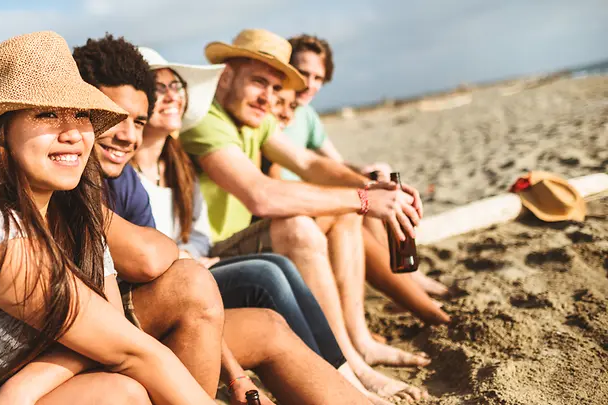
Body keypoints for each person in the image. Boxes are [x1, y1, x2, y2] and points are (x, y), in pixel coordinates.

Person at [0, 31, 216, 405]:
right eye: (46, 114)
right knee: (119, 394)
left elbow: (114, 329)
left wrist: (24, 386)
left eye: (81, 114)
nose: (73, 133)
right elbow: (130, 350)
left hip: (0, 393)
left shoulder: (72, 210)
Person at [72, 35, 374, 405]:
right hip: (98, 348)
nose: (127, 135)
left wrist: (236, 377)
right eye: (114, 118)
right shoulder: (70, 181)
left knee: (270, 325)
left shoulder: (131, 178)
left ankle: (354, 381)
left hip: (139, 323)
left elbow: (172, 266)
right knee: (217, 278)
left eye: (137, 121)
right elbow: (152, 263)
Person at [181, 28, 429, 401]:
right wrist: (362, 198)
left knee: (344, 213)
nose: (268, 97)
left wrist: (370, 188)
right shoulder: (205, 119)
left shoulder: (253, 117)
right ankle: (348, 365)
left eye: (275, 88)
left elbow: (308, 161)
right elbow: (260, 196)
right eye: (259, 82)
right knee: (298, 228)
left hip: (234, 245)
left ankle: (358, 342)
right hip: (205, 256)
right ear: (226, 75)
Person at [274, 34, 452, 325]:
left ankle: (410, 277)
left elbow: (333, 162)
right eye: (303, 73)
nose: (310, 83)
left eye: (318, 77)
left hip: (308, 196)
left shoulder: (305, 115)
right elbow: (293, 171)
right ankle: (418, 299)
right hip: (290, 205)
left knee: (373, 184)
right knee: (355, 210)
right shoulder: (268, 113)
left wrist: (369, 173)